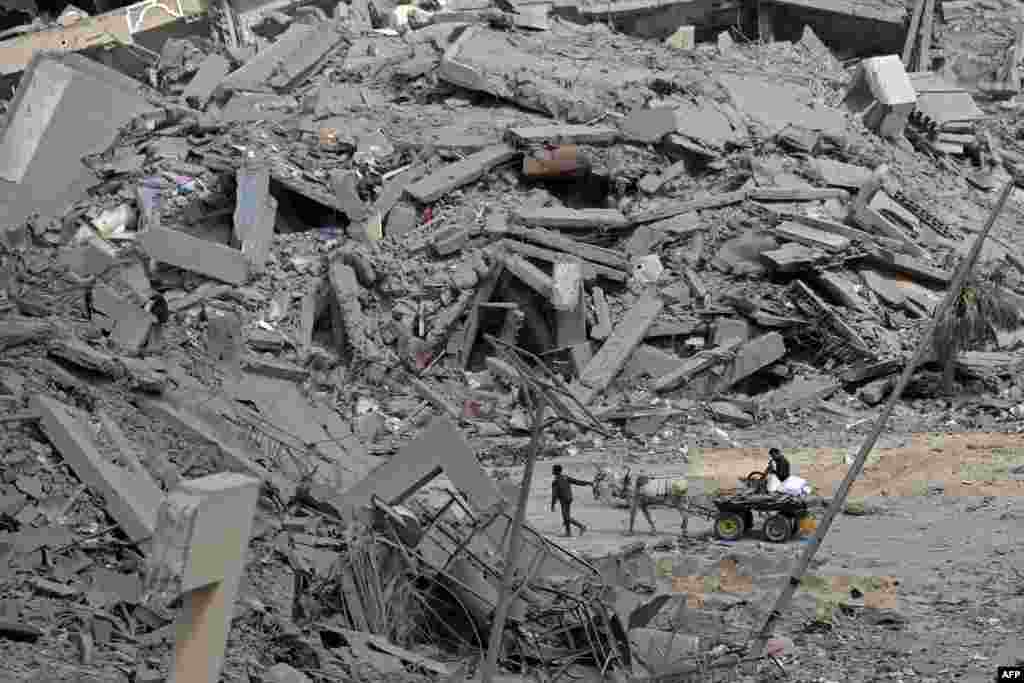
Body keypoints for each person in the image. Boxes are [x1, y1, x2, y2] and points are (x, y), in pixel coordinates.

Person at [551, 464, 589, 537]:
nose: (552, 471)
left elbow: (554, 495)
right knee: (566, 516)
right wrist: (587, 483)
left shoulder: (555, 481)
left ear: (555, 471)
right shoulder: (565, 477)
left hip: (564, 500)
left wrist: (553, 505)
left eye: (553, 470)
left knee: (566, 517)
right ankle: (568, 532)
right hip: (569, 498)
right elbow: (577, 482)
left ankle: (581, 526)